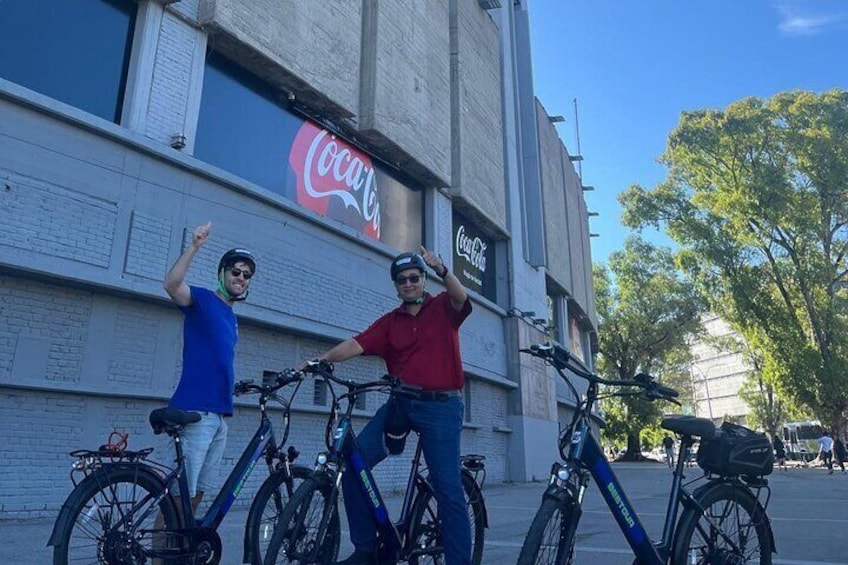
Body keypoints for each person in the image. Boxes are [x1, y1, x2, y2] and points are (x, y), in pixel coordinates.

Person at [315, 247, 472, 565]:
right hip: (400, 405)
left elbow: (461, 297)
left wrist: (442, 269)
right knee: (353, 466)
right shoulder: (390, 322)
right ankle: (366, 548)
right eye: (402, 280)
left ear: (423, 280)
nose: (409, 283)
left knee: (448, 489)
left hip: (441, 407)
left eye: (414, 278)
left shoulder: (442, 306)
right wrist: (321, 360)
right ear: (397, 286)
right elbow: (356, 343)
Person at [163, 221, 256, 511]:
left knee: (199, 494)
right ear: (222, 273)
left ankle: (179, 556)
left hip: (219, 417)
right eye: (236, 271)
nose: (241, 278)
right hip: (195, 411)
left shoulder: (231, 317)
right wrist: (195, 246)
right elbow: (172, 285)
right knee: (177, 500)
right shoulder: (202, 300)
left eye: (247, 275)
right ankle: (157, 557)